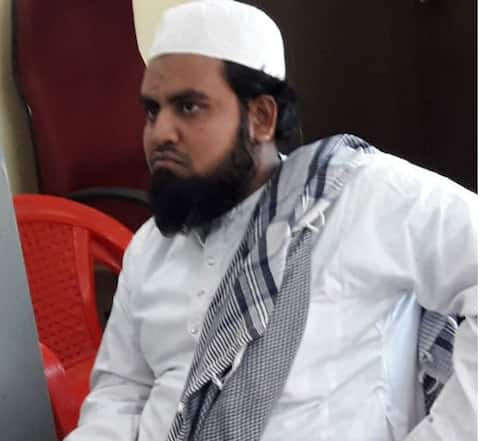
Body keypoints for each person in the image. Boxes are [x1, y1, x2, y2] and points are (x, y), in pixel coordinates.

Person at [65, 1, 477, 440]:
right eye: (153, 111)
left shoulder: (360, 196)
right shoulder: (151, 246)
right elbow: (122, 389)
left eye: (188, 107)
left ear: (261, 118)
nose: (160, 133)